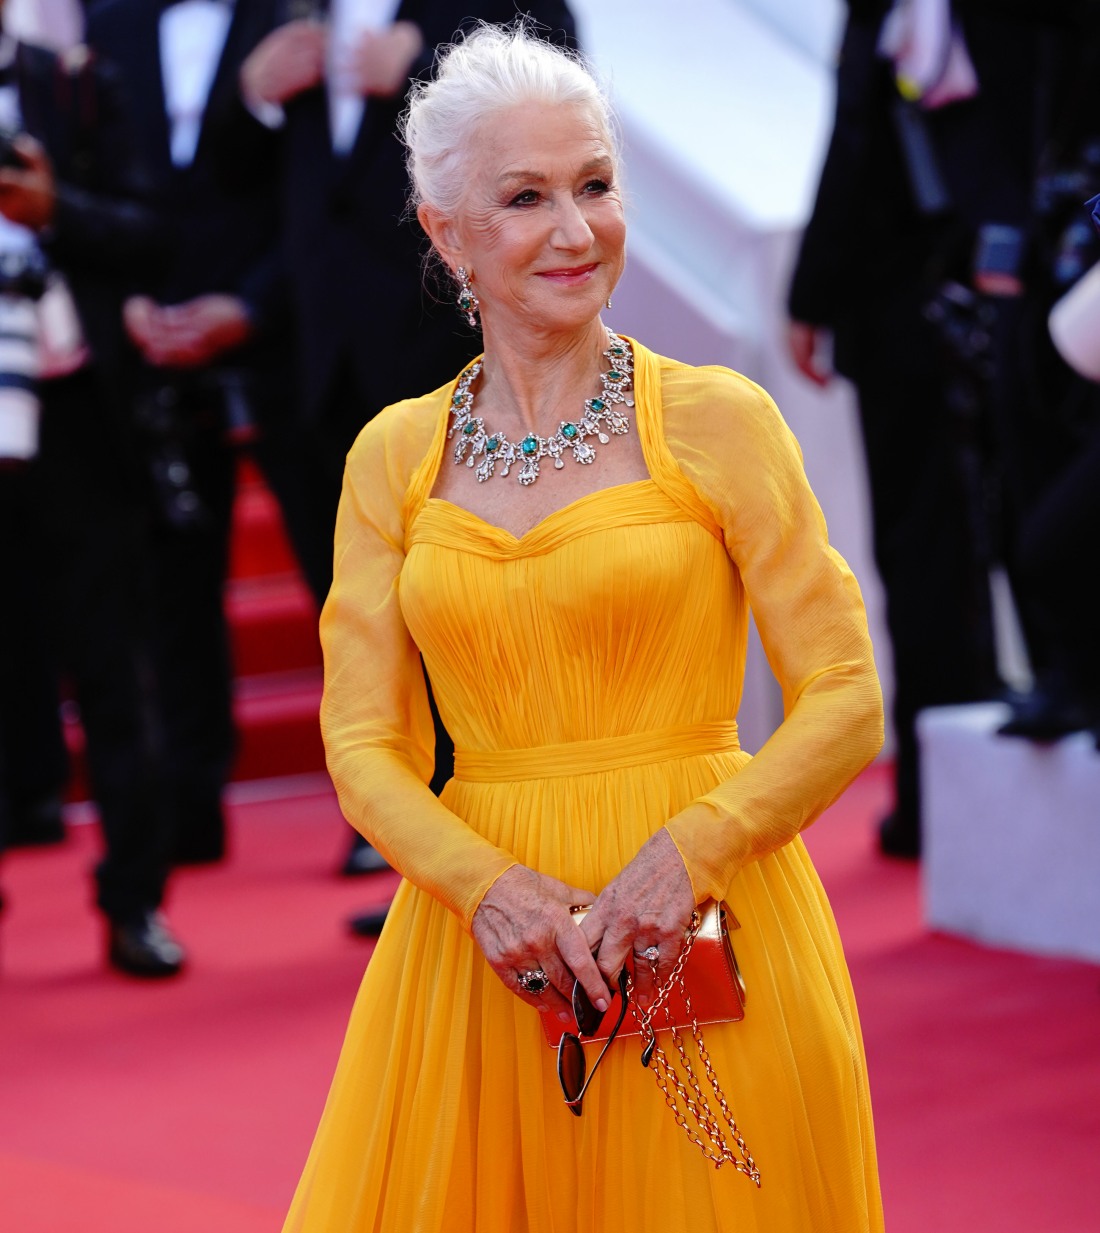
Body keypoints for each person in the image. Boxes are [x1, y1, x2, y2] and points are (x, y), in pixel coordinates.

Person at [281, 23, 885, 1233]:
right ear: (445, 232)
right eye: (525, 198)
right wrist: (482, 887)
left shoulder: (717, 420)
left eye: (594, 185)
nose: (575, 231)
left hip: (707, 924)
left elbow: (844, 693)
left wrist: (695, 851)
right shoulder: (393, 456)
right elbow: (362, 743)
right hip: (484, 950)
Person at [214, 0, 577, 889]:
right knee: (359, 607)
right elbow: (226, 186)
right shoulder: (280, 7)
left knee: (476, 599)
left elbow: (563, 71)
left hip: (442, 348)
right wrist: (253, 97)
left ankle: (490, 828)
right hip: (318, 359)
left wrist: (428, 61)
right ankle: (403, 822)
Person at [83, 0, 296, 867]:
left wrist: (250, 305)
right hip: (151, 345)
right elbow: (100, 178)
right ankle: (189, 803)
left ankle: (390, 814)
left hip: (285, 336)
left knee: (346, 571)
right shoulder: (110, 26)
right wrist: (124, 300)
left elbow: (318, 187)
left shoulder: (289, 15)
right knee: (172, 587)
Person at [0, 8, 185, 975]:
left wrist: (54, 210)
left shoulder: (71, 82)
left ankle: (134, 900)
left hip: (77, 420)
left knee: (113, 668)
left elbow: (155, 233)